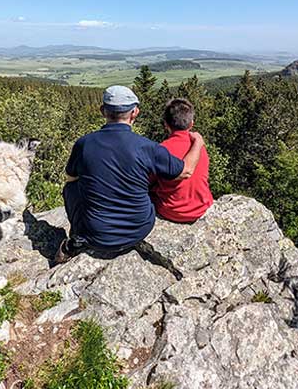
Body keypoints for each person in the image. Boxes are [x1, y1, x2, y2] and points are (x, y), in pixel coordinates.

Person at [57, 85, 205, 262]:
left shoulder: (84, 144)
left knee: (70, 187)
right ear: (134, 112)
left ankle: (77, 237)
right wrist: (198, 143)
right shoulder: (148, 147)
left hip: (95, 234)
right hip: (139, 228)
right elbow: (186, 171)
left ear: (103, 111)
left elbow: (71, 178)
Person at [149, 98, 214, 223]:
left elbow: (149, 180)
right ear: (191, 124)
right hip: (201, 207)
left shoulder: (161, 149)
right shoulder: (199, 146)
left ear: (166, 124)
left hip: (171, 210)